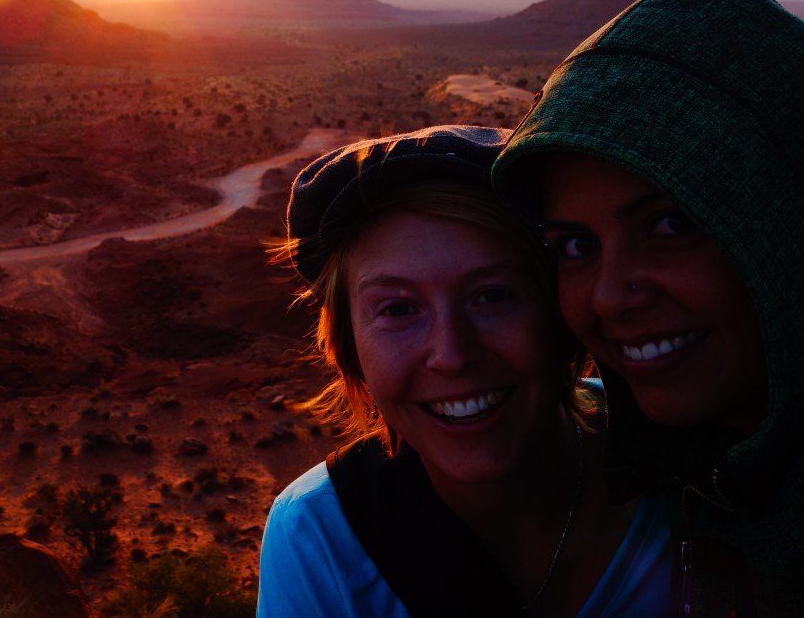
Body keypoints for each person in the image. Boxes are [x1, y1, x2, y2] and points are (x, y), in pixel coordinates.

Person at [492, 0, 804, 616]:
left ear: (802, 227)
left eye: (671, 225)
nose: (608, 297)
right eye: (576, 245)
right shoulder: (707, 445)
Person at [257, 126, 674, 617]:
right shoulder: (319, 538)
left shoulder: (684, 454)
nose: (451, 354)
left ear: (559, 314)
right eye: (397, 309)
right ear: (351, 347)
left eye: (492, 296)